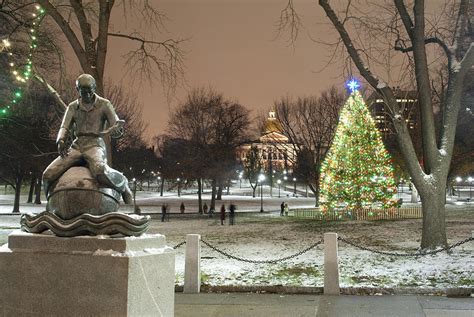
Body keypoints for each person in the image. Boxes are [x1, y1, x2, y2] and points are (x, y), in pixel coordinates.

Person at [42, 74, 133, 204]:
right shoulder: (72, 107)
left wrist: (117, 131)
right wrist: (60, 140)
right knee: (47, 175)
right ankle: (52, 205)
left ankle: (122, 183)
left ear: (95, 88)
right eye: (83, 91)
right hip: (77, 146)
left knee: (100, 171)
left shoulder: (104, 104)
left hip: (95, 145)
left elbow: (116, 125)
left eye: (90, 90)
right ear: (77, 90)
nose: (88, 94)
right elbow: (64, 126)